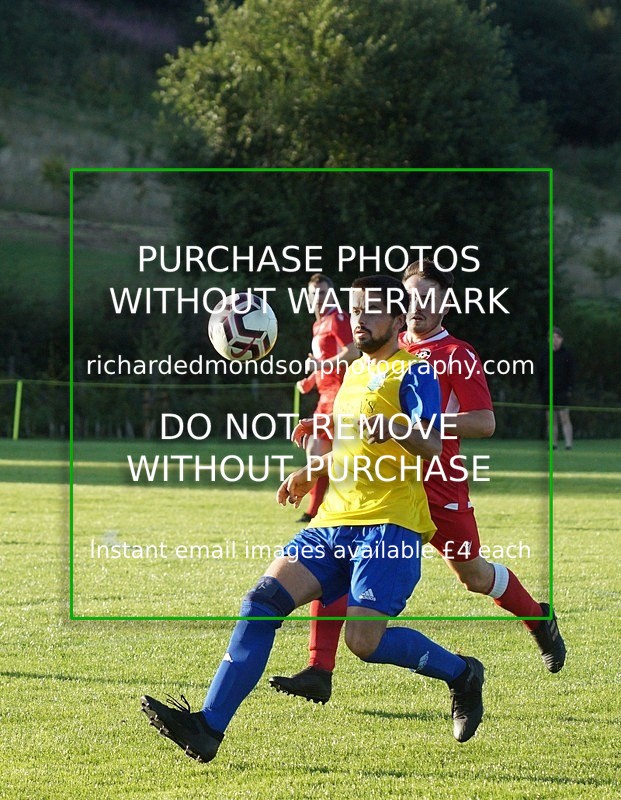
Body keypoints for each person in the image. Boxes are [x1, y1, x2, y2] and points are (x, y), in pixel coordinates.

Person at [141, 275, 486, 763]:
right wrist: (310, 471)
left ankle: (461, 673)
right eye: (355, 310)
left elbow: (431, 444)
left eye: (370, 311)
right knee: (261, 602)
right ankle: (207, 727)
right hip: (333, 521)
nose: (359, 320)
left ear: (394, 317)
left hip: (392, 526)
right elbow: (348, 446)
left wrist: (395, 425)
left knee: (363, 643)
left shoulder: (414, 372)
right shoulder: (353, 375)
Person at [270, 260, 566, 705]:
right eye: (411, 297)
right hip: (382, 487)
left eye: (429, 297)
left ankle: (537, 619)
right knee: (340, 559)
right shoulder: (385, 348)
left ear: (445, 304)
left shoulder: (457, 356)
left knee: (474, 575)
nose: (417, 307)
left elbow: (485, 423)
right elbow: (353, 397)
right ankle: (319, 667)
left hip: (437, 486)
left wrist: (418, 423)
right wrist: (322, 436)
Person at [295, 273, 357, 522]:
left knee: (320, 452)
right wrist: (309, 381)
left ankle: (318, 511)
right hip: (324, 396)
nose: (318, 298)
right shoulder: (317, 325)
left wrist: (322, 364)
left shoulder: (338, 319)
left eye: (322, 293)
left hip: (340, 396)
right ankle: (318, 510)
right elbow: (323, 365)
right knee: (319, 452)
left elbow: (352, 352)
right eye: (313, 294)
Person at [536, 326, 575, 450]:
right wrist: (541, 390)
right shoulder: (544, 355)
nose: (555, 340)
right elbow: (539, 374)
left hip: (563, 391)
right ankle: (553, 444)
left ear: (562, 339)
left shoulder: (567, 354)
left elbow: (572, 373)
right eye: (552, 337)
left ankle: (568, 444)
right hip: (548, 391)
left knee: (565, 417)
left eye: (558, 337)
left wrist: (570, 389)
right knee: (551, 420)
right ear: (548, 339)